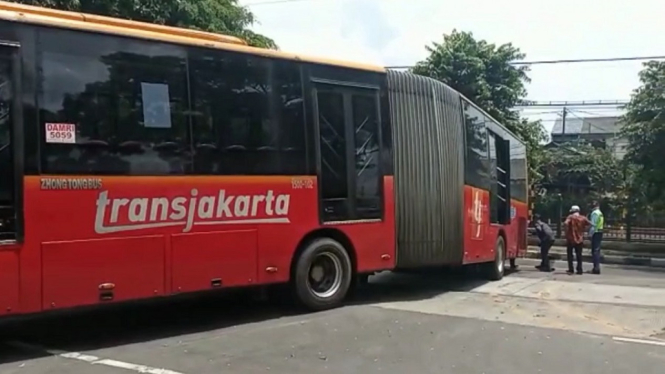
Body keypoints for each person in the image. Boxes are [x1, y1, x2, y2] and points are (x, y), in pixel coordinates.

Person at [564, 205, 591, 275]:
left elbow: (565, 223)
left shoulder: (570, 217)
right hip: (580, 239)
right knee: (579, 255)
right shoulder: (583, 218)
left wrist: (567, 232)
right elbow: (590, 224)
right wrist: (584, 230)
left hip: (571, 238)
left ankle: (571, 269)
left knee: (570, 255)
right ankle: (579, 270)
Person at [589, 201, 604, 274]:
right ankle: (596, 268)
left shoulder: (594, 213)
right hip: (600, 231)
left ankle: (596, 268)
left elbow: (593, 225)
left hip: (596, 232)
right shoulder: (600, 213)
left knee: (595, 251)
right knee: (597, 250)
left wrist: (590, 234)